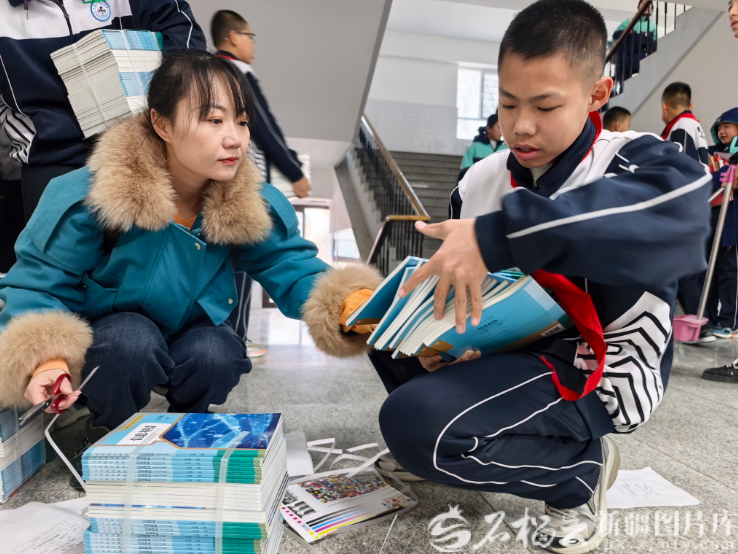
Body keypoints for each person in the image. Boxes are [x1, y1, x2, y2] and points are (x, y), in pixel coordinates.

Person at [366, 1, 710, 552]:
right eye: (507, 103)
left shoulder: (632, 160)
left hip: (600, 366)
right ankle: (449, 443)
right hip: (514, 345)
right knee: (388, 339)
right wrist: (445, 341)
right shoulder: (479, 180)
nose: (521, 126)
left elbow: (684, 207)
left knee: (415, 423)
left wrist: (498, 234)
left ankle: (578, 475)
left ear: (597, 93)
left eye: (546, 106)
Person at [0, 50, 380, 489]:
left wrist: (349, 303)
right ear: (162, 124)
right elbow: (42, 284)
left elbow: (290, 264)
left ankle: (188, 429)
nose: (235, 139)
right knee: (131, 340)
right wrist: (47, 359)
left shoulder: (249, 204)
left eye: (241, 121)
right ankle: (104, 429)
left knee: (218, 351)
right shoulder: (90, 195)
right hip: (113, 336)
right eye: (214, 120)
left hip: (192, 331)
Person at [0, 0, 206, 223]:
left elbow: (180, 25)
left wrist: (162, 100)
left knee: (157, 243)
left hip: (143, 151)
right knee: (55, 245)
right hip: (52, 161)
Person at [211, 10, 311, 199]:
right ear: (234, 37)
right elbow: (264, 127)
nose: (253, 45)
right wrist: (294, 173)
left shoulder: (206, 71)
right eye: (250, 37)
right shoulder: (240, 71)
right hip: (247, 174)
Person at [700, 109, 738, 350]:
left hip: (732, 224)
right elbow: (709, 181)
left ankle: (729, 323)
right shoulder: (710, 154)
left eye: (727, 126)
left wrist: (724, 174)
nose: (722, 131)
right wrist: (724, 174)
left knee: (729, 273)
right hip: (711, 221)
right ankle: (709, 320)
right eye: (719, 128)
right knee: (708, 274)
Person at [611, 0, 657, 91]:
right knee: (624, 84)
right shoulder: (628, 22)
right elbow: (615, 36)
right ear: (638, 7)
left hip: (639, 56)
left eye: (649, 5)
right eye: (643, 4)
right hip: (625, 57)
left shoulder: (652, 26)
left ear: (651, 9)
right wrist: (627, 32)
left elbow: (653, 44)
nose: (646, 6)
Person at [457, 113, 507, 183]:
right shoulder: (474, 147)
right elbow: (465, 171)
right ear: (488, 129)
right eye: (499, 127)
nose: (501, 131)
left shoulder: (506, 149)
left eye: (503, 128)